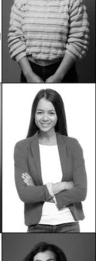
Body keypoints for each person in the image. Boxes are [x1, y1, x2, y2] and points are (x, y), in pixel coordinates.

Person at [14, 88, 87, 233]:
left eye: (51, 113)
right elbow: (24, 194)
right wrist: (63, 185)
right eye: (40, 112)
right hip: (37, 225)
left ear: (58, 115)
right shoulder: (22, 147)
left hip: (69, 224)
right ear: (34, 114)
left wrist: (39, 190)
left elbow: (81, 192)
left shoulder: (72, 145)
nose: (45, 118)